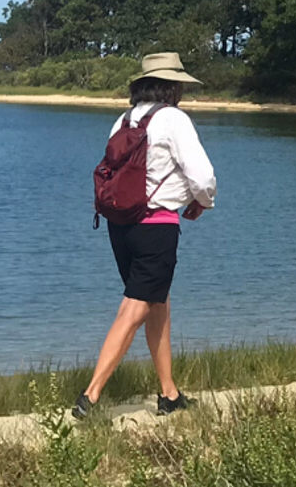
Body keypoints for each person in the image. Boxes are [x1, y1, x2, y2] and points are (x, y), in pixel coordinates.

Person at [75, 53, 217, 419]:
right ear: (173, 86)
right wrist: (204, 202)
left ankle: (169, 394)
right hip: (156, 227)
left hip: (120, 226)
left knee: (157, 301)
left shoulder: (123, 120)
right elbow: (202, 177)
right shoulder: (174, 119)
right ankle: (90, 396)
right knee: (135, 307)